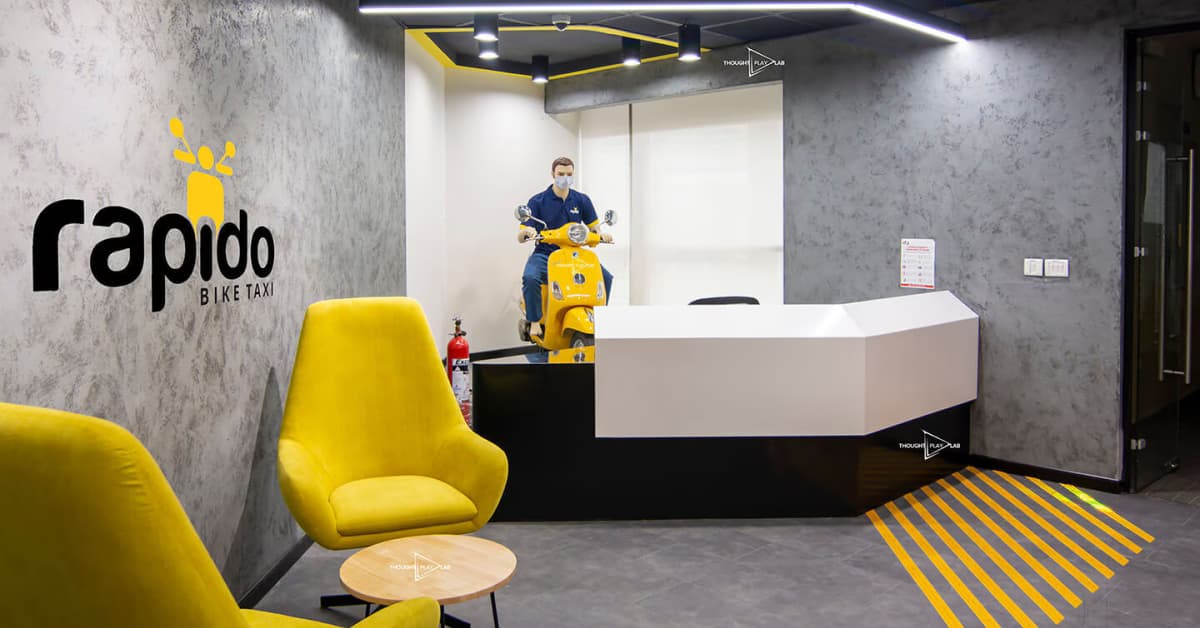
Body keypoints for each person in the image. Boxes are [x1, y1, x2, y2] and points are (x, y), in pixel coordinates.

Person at [519, 156, 613, 335]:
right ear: (552, 174)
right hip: (546, 253)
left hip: (574, 254)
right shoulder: (538, 201)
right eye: (561, 174)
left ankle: (598, 319)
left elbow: (595, 228)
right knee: (530, 277)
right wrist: (527, 232)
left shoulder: (581, 200)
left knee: (606, 277)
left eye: (569, 174)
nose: (565, 178)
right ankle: (535, 321)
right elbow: (523, 230)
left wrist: (601, 235)